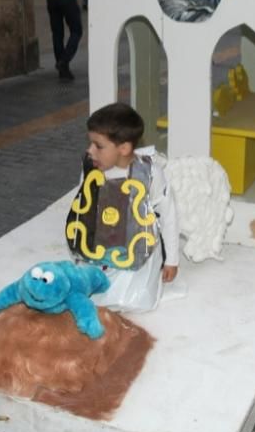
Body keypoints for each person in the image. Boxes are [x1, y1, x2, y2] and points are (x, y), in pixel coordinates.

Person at [66, 103, 179, 312]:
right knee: (85, 294)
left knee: (134, 300)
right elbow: (84, 209)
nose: (90, 151)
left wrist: (172, 259)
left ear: (124, 148)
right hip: (98, 249)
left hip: (136, 250)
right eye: (90, 143)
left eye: (98, 146)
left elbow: (168, 214)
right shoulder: (91, 169)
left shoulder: (149, 173)